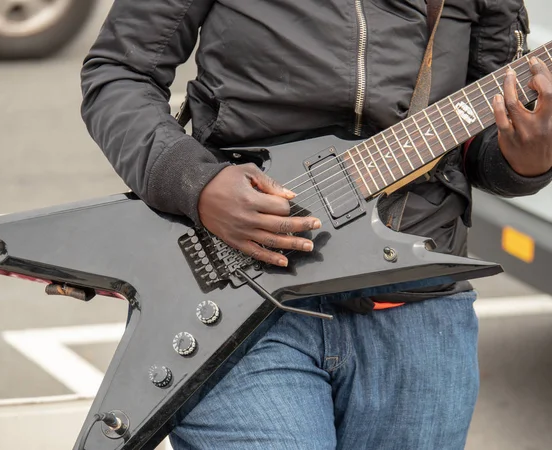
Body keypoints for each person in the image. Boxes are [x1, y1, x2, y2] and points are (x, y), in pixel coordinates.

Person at [80, 1, 552, 448]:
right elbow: (120, 72)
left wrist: (527, 160)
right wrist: (196, 183)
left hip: (418, 309)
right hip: (244, 299)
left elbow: (483, 140)